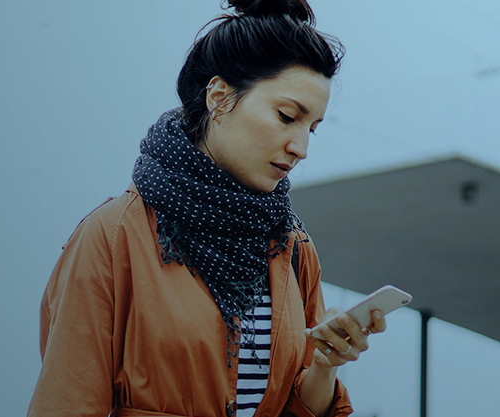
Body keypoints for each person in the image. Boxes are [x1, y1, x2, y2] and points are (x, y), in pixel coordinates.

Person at [27, 1, 387, 416]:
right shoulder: (113, 236)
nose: (301, 148)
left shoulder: (292, 246)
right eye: (287, 116)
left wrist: (325, 364)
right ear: (219, 97)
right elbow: (66, 403)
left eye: (312, 129)